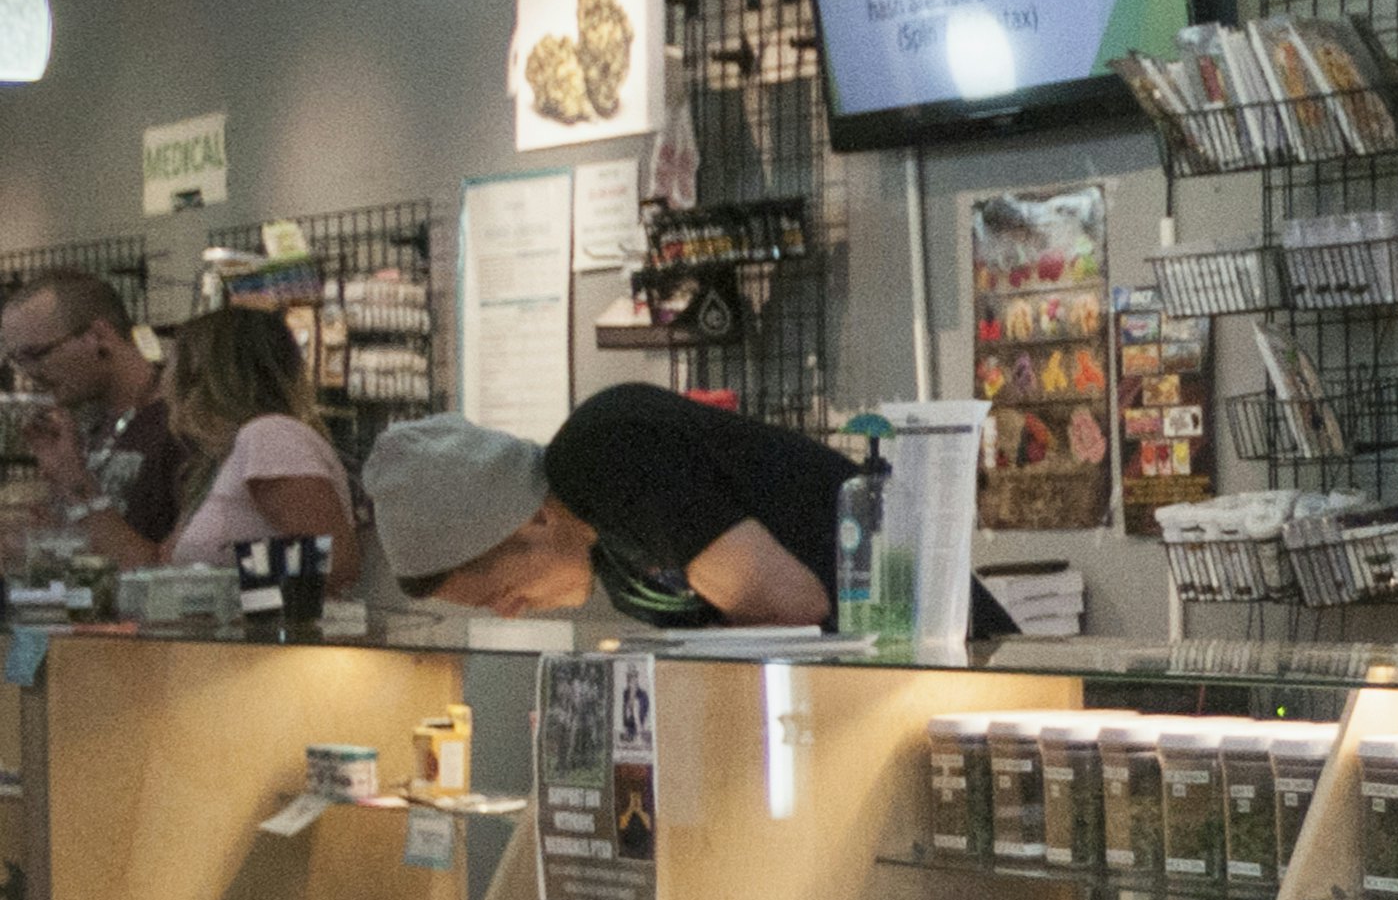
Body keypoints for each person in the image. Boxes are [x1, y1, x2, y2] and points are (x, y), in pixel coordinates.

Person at [362, 382, 1009, 637]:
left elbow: (789, 600)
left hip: (953, 648)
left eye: (496, 591)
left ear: (525, 518)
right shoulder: (614, 565)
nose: (509, 610)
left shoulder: (599, 453)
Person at [40, 300, 350, 571]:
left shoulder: (269, 435)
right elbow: (157, 567)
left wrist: (221, 581)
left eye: (172, 363)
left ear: (196, 373)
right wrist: (73, 481)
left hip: (264, 635)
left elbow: (334, 560)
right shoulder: (216, 463)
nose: (165, 378)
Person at [5, 268, 193, 554]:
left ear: (98, 336)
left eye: (37, 354)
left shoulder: (185, 424)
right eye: (19, 361)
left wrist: (74, 480)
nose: (31, 374)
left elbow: (175, 566)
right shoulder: (82, 427)